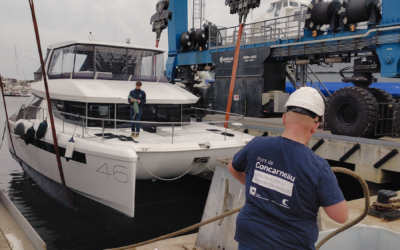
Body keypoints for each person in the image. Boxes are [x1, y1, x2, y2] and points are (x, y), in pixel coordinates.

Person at [228, 87, 348, 250]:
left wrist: (263, 190)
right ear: (314, 127)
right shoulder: (318, 167)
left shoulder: (257, 145)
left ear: (284, 118)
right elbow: (341, 216)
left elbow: (233, 169)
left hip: (250, 240)